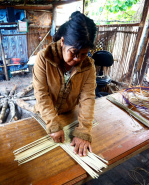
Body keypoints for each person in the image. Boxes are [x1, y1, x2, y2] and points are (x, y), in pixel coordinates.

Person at [33, 11, 97, 157]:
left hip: (69, 115)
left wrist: (84, 130)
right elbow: (41, 94)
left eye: (83, 54)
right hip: (44, 116)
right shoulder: (44, 58)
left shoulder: (88, 66)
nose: (77, 59)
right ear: (62, 42)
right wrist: (53, 125)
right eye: (73, 52)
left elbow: (87, 98)